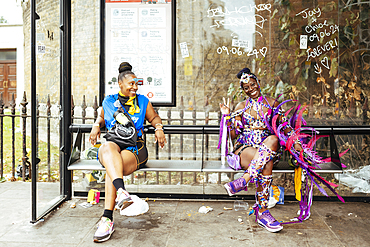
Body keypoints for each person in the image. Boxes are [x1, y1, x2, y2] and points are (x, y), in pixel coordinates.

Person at [89, 62, 167, 242]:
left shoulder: (142, 101)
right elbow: (101, 117)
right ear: (121, 84)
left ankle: (107, 219)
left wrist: (159, 127)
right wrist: (95, 125)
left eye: (136, 84)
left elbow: (154, 117)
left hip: (135, 148)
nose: (135, 87)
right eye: (131, 83)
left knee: (112, 167)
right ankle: (122, 193)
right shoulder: (109, 101)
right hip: (114, 144)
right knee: (107, 148)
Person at [219, 67, 302, 233]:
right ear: (243, 90)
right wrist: (228, 117)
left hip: (267, 150)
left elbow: (286, 128)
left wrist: (297, 144)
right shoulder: (241, 106)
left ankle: (243, 181)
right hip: (244, 150)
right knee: (266, 161)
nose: (251, 89)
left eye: (253, 84)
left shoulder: (273, 104)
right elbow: (234, 135)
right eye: (246, 87)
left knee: (272, 141)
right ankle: (263, 212)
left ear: (258, 83)